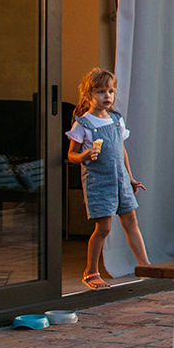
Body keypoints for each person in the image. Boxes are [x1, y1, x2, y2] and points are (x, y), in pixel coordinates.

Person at [65, 67, 150, 290]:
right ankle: (91, 271)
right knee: (103, 228)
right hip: (99, 184)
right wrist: (84, 155)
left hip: (120, 181)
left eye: (111, 91)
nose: (107, 96)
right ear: (88, 95)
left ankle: (146, 266)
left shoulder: (115, 120)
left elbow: (122, 151)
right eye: (101, 92)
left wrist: (130, 178)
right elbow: (71, 155)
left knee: (132, 223)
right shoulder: (83, 124)